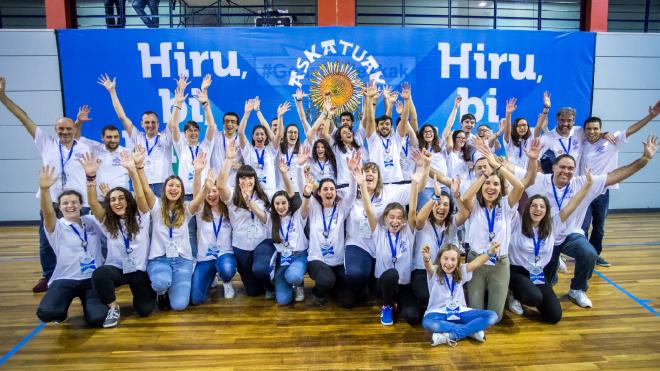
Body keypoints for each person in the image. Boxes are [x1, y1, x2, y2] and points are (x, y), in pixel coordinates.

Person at [526, 135, 658, 308]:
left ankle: (577, 289)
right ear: (554, 167)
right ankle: (552, 275)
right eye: (562, 167)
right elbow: (510, 169)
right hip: (545, 238)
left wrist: (644, 159)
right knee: (546, 286)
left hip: (570, 235)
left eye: (570, 168)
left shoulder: (584, 183)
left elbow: (616, 175)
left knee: (589, 253)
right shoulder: (539, 180)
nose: (566, 171)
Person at [0, 76, 92, 293]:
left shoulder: (83, 147)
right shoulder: (46, 143)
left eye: (69, 129)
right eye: (61, 129)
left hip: (80, 203)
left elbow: (77, 131)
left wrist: (78, 123)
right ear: (55, 130)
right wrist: (3, 97)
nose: (65, 132)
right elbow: (24, 118)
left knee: (84, 239)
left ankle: (85, 272)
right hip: (51, 201)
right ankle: (49, 276)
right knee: (46, 242)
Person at [580, 101, 659, 267]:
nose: (592, 131)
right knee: (583, 226)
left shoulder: (612, 141)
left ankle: (595, 255)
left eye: (596, 129)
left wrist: (651, 116)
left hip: (603, 192)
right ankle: (584, 255)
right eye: (589, 129)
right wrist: (603, 134)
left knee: (599, 228)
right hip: (583, 192)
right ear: (584, 130)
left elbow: (631, 129)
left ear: (600, 129)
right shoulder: (581, 143)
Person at [507, 170, 592, 323]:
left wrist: (588, 185)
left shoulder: (553, 225)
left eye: (541, 207)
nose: (537, 209)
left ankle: (529, 292)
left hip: (538, 274)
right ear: (527, 208)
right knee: (533, 297)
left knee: (554, 317)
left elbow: (572, 205)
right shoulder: (516, 222)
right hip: (516, 272)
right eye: (533, 206)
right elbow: (513, 194)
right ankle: (512, 293)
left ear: (546, 211)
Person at [82, 151, 156, 328]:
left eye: (121, 198)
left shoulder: (141, 216)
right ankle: (113, 307)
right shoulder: (109, 222)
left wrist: (132, 170)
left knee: (145, 310)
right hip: (118, 269)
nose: (117, 202)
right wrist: (91, 178)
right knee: (100, 274)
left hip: (139, 270)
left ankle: (156, 293)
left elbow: (139, 194)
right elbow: (93, 204)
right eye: (113, 199)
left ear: (128, 201)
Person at [458, 139, 525, 322]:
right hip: (476, 260)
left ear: (501, 188)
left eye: (495, 184)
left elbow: (519, 187)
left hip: (500, 263)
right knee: (475, 313)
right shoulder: (475, 205)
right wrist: (484, 175)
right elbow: (465, 197)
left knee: (495, 317)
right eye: (487, 184)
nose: (491, 187)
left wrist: (496, 166)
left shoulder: (506, 204)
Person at [135, 146, 207, 311]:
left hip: (183, 261)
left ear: (182, 191)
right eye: (170, 186)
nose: (173, 189)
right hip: (160, 259)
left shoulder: (186, 208)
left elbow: (198, 199)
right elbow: (146, 189)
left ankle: (170, 289)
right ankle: (161, 291)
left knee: (179, 305)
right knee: (161, 283)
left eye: (177, 186)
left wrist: (198, 174)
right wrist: (139, 167)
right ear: (164, 189)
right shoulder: (156, 206)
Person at [35, 165, 107, 327]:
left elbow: (97, 208)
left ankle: (91, 307)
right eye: (65, 203)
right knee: (48, 313)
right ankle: (61, 309)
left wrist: (91, 179)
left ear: (81, 205)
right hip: (65, 279)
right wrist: (44, 190)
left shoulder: (91, 221)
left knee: (98, 318)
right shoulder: (56, 226)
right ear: (59, 207)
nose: (70, 206)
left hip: (91, 279)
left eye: (74, 202)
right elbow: (47, 211)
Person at [360, 165, 422, 326]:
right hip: (383, 284)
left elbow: (413, 210)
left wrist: (415, 183)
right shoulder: (379, 231)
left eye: (399, 217)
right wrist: (361, 184)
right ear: (385, 219)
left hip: (403, 285)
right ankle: (387, 305)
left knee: (413, 318)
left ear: (403, 220)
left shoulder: (408, 232)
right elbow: (368, 209)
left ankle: (399, 304)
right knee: (391, 274)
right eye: (391, 217)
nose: (395, 221)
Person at [299, 152, 361, 307]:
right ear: (319, 192)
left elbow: (352, 194)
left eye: (332, 189)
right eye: (325, 189)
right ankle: (318, 293)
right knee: (326, 280)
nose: (329, 192)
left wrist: (353, 173)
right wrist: (300, 166)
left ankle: (331, 286)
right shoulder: (313, 206)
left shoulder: (341, 208)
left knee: (349, 302)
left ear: (335, 192)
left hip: (338, 262)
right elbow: (303, 189)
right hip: (317, 260)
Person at [98, 74, 174, 196]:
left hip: (163, 184)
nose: (150, 125)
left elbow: (173, 121)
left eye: (153, 122)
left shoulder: (166, 136)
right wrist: (112, 91)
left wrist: (178, 102)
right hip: (143, 183)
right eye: (147, 122)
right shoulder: (137, 136)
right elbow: (122, 117)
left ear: (158, 124)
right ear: (142, 124)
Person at [216, 142, 273, 298]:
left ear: (255, 179)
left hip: (263, 244)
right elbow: (220, 186)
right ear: (237, 179)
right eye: (242, 178)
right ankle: (261, 283)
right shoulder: (233, 195)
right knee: (253, 292)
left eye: (250, 178)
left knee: (261, 270)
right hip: (242, 247)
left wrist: (251, 204)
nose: (246, 181)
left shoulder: (264, 194)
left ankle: (270, 284)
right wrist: (228, 159)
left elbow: (265, 219)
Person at [421, 243, 499, 347]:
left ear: (458, 261)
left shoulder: (461, 271)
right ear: (440, 259)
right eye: (446, 258)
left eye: (453, 259)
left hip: (460, 312)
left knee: (492, 316)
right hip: (438, 313)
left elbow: (477, 263)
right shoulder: (434, 271)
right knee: (427, 322)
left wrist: (490, 252)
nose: (449, 263)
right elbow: (428, 266)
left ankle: (448, 336)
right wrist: (426, 258)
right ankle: (471, 331)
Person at [189, 169, 236, 304]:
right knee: (196, 299)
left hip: (224, 254)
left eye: (214, 191)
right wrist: (198, 173)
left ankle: (226, 282)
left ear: (220, 192)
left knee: (226, 270)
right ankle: (211, 276)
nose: (211, 194)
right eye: (208, 191)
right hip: (205, 257)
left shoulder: (228, 209)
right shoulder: (200, 209)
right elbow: (197, 193)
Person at [362, 80, 412, 184]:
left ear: (391, 126)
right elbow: (370, 120)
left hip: (398, 182)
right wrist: (370, 99)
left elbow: (404, 121)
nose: (384, 126)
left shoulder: (396, 138)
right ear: (377, 127)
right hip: (379, 183)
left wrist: (407, 101)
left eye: (387, 124)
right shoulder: (373, 139)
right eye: (381, 124)